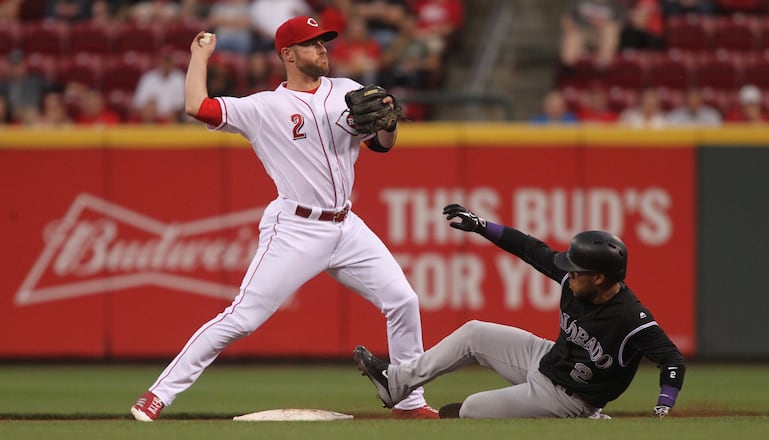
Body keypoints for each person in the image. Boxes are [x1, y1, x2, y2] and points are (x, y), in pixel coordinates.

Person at [130, 15, 437, 422]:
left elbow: (381, 145)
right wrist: (199, 56)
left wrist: (389, 123)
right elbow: (196, 106)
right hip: (295, 228)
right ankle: (156, 396)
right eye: (312, 44)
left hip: (347, 226)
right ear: (288, 55)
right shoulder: (264, 107)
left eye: (324, 42)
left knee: (403, 300)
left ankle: (409, 403)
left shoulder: (347, 91)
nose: (322, 49)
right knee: (241, 318)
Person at [354, 203, 686, 419]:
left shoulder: (630, 317)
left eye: (576, 271)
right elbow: (530, 248)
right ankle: (395, 382)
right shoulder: (577, 279)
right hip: (546, 359)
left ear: (599, 278)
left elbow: (672, 359)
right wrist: (482, 225)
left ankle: (589, 421)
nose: (568, 274)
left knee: (469, 410)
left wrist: (664, 407)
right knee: (474, 332)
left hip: (569, 399)